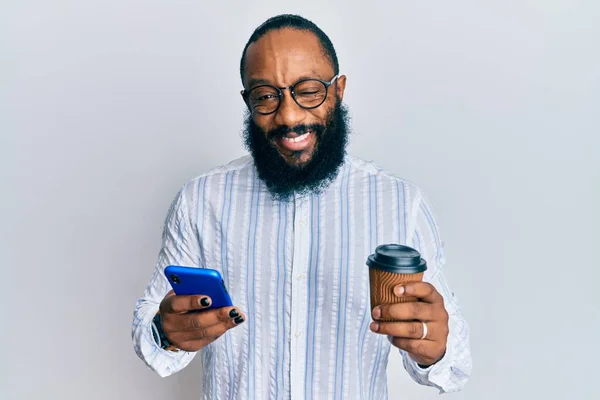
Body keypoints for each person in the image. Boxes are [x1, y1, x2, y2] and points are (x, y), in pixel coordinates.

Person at [132, 14, 472, 399]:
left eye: (308, 91)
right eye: (265, 95)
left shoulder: (400, 204)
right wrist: (167, 332)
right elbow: (151, 336)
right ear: (247, 101)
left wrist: (435, 346)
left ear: (338, 90)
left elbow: (454, 365)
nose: (289, 115)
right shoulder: (200, 201)